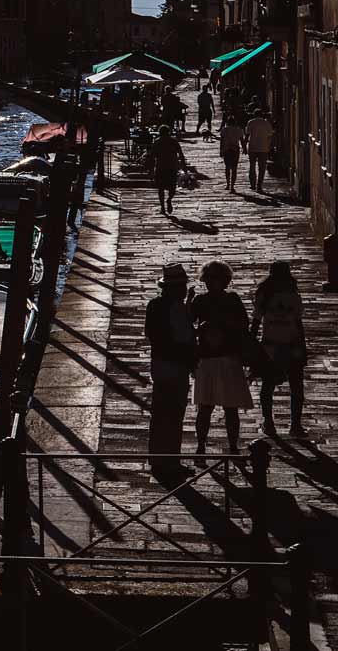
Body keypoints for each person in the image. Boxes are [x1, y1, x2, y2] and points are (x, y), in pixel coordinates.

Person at [191, 260, 252, 458]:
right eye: (208, 279)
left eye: (214, 279)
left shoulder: (231, 300)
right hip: (209, 359)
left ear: (224, 281)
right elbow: (188, 325)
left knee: (230, 408)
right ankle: (201, 446)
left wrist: (223, 324)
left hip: (227, 358)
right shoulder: (200, 301)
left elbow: (243, 325)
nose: (211, 283)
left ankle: (232, 446)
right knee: (205, 408)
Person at [145, 263, 198, 472]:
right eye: (183, 286)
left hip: (158, 365)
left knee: (159, 413)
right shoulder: (176, 308)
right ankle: (170, 461)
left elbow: (150, 333)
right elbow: (184, 337)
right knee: (174, 415)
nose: (185, 290)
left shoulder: (153, 305)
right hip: (176, 367)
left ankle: (157, 457)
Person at [253, 261, 308, 437]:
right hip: (289, 345)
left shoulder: (265, 294)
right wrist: (303, 345)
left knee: (269, 386)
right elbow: (298, 322)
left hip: (271, 345)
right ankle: (294, 425)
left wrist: (251, 344)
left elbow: (255, 322)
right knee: (295, 386)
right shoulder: (292, 294)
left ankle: (269, 423)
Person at [148, 125, 192, 214]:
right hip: (172, 167)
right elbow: (181, 154)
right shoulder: (173, 141)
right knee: (172, 187)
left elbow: (152, 157)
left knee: (160, 188)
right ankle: (169, 200)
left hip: (160, 167)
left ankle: (163, 207)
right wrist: (184, 167)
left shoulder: (157, 142)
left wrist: (151, 170)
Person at [245, 108, 275, 191]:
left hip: (252, 147)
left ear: (254, 114)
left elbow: (247, 135)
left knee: (252, 166)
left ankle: (252, 184)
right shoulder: (266, 123)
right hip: (263, 148)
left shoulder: (251, 122)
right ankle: (259, 185)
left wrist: (244, 146)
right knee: (262, 168)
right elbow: (271, 134)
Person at [219, 114, 243, 192]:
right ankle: (232, 186)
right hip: (235, 150)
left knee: (227, 167)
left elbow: (222, 141)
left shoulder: (224, 129)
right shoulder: (239, 129)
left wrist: (221, 150)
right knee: (234, 168)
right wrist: (245, 148)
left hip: (226, 150)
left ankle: (228, 184)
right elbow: (241, 140)